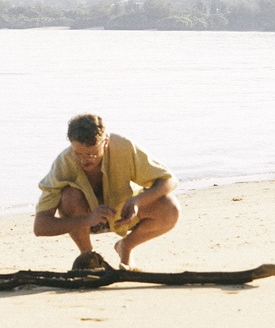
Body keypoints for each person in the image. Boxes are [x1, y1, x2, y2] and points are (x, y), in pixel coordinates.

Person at [31, 112, 177, 270]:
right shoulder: (63, 164)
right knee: (69, 196)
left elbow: (169, 180)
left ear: (105, 142)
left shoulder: (123, 146)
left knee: (171, 207)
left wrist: (137, 201)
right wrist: (88, 219)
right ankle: (88, 256)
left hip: (124, 214)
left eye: (91, 154)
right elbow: (40, 226)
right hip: (85, 220)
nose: (84, 160)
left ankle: (125, 247)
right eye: (78, 153)